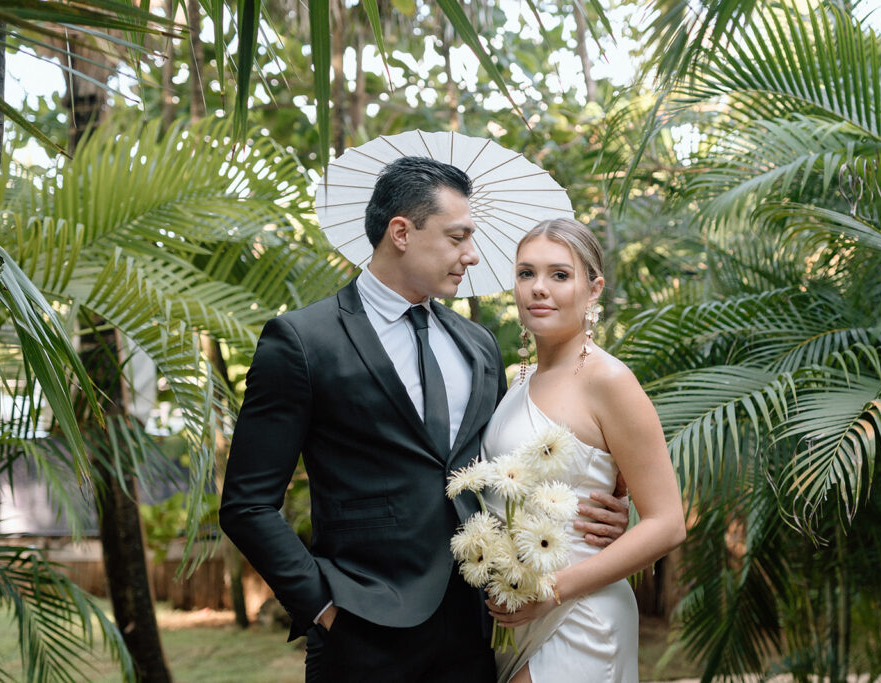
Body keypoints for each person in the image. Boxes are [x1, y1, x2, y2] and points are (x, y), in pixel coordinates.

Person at [219, 157, 630, 682]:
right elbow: (246, 503)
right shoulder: (301, 342)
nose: (473, 256)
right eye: (458, 237)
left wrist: (601, 514)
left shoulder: (477, 345)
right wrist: (323, 606)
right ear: (401, 233)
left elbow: (503, 468)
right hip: (359, 633)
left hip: (473, 630)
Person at [481, 217, 687, 682]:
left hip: (579, 611)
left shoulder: (608, 380)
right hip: (515, 615)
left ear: (593, 289)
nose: (538, 288)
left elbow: (668, 523)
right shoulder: (518, 380)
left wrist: (551, 591)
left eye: (559, 274)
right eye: (525, 273)